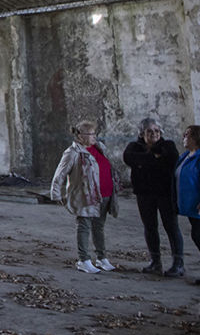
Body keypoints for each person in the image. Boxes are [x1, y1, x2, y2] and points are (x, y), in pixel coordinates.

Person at [51, 120, 120, 273]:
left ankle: (102, 258)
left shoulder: (99, 148)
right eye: (91, 134)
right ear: (80, 136)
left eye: (95, 133)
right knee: (84, 227)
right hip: (84, 196)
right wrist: (56, 194)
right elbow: (60, 174)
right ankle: (84, 260)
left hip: (103, 196)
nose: (94, 136)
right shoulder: (73, 153)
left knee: (99, 227)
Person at [122, 118, 184, 276]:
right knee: (150, 227)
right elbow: (128, 158)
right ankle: (155, 262)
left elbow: (171, 160)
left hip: (165, 194)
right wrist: (154, 158)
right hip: (144, 194)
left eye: (157, 131)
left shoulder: (168, 145)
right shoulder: (133, 146)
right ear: (142, 133)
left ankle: (178, 263)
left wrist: (144, 160)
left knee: (171, 227)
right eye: (150, 131)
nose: (154, 134)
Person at [176, 124, 200, 284]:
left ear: (197, 138)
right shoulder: (188, 154)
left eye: (188, 135)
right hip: (193, 205)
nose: (184, 138)